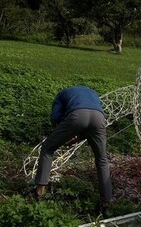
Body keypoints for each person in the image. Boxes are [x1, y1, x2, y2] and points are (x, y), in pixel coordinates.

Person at [34, 86, 112, 215]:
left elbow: (56, 117)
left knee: (48, 148)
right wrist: (74, 140)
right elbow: (89, 123)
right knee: (102, 160)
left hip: (77, 115)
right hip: (99, 118)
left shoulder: (61, 95)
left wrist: (63, 131)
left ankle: (40, 191)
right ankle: (106, 203)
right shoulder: (92, 93)